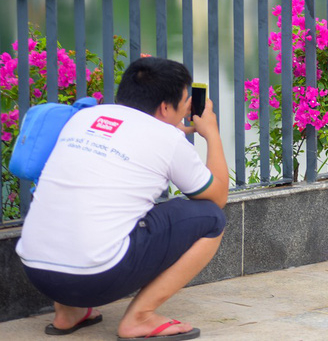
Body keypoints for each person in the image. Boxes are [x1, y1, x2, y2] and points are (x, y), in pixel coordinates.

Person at [16, 57, 229, 340]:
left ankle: (68, 312)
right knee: (212, 219)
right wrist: (211, 134)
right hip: (98, 277)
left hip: (37, 272)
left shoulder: (84, 117)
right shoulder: (168, 138)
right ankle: (140, 318)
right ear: (165, 107)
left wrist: (169, 126)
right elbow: (218, 196)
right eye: (183, 101)